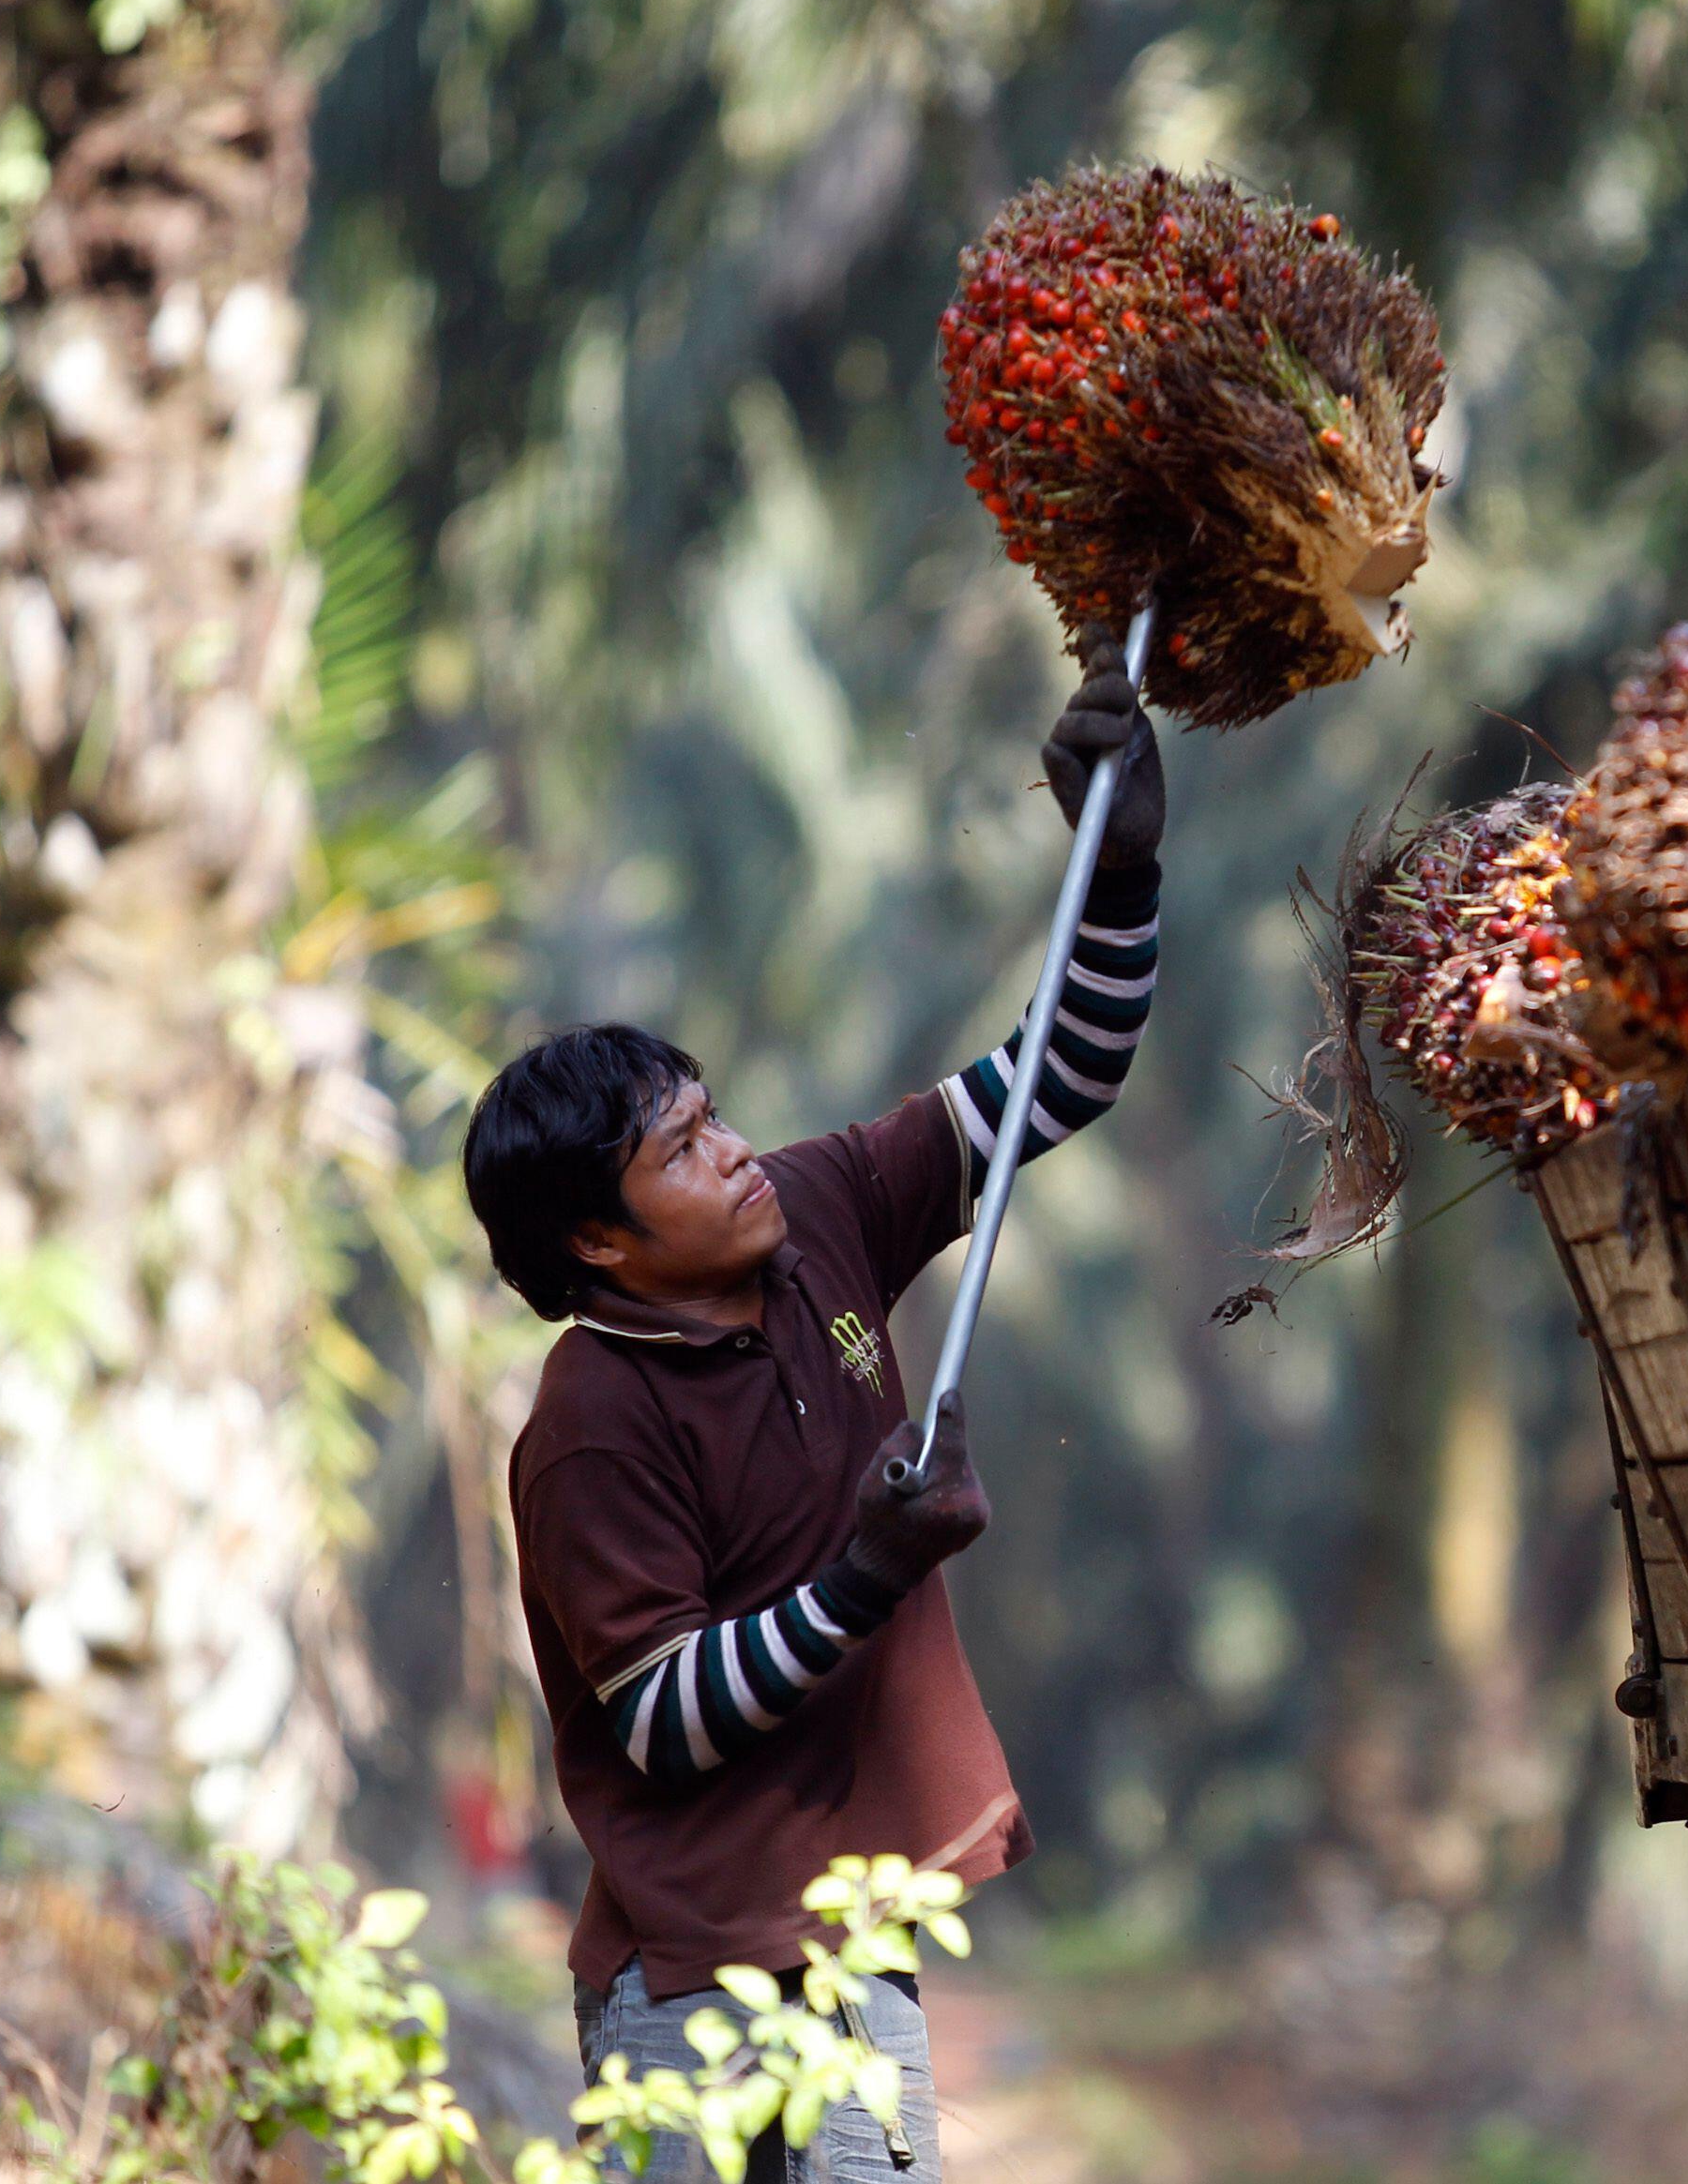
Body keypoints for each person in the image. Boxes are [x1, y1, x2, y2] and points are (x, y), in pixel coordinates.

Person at [460, 653, 1166, 2181]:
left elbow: (1062, 1072)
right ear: (599, 1239)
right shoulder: (591, 1422)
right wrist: (864, 1574)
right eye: (684, 1148)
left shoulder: (824, 1204)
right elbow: (660, 1713)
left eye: (715, 1113)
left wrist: (1117, 873)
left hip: (852, 1936)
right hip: (688, 1973)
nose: (736, 1153)